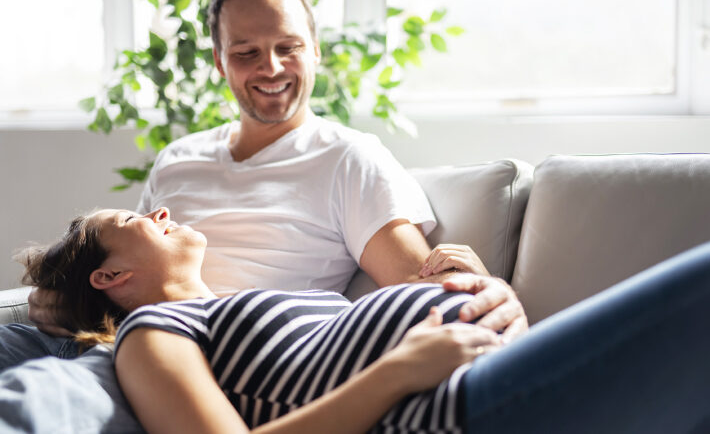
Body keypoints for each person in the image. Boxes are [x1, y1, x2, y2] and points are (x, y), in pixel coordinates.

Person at [23, 0, 526, 362]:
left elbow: (420, 292)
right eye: (246, 52)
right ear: (219, 61)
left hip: (233, 357)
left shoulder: (349, 158)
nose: (271, 68)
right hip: (125, 349)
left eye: (289, 48)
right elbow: (122, 270)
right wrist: (60, 299)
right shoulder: (178, 159)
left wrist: (482, 291)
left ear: (315, 51)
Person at [13, 209, 710, 433]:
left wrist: (499, 306)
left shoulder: (229, 305)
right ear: (111, 277)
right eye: (138, 219)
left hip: (497, 368)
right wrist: (401, 370)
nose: (160, 211)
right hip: (459, 408)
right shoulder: (148, 336)